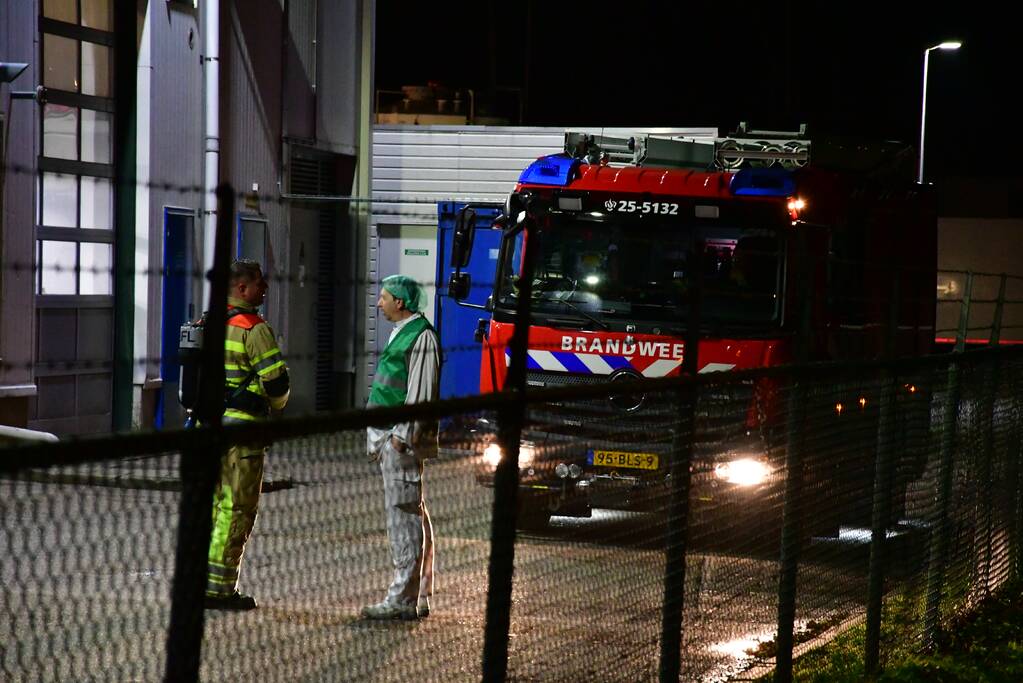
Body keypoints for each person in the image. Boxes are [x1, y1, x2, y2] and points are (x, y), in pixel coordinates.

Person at [205, 260, 290, 610]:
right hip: (242, 436)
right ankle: (220, 589)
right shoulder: (253, 329)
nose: (265, 287)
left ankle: (201, 579)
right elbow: (277, 384)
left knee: (213, 507)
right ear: (242, 289)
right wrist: (277, 403)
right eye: (259, 283)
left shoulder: (208, 323)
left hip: (207, 432)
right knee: (238, 508)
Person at [362, 274, 440, 620]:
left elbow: (420, 394)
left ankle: (402, 600)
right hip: (390, 438)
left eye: (384, 297)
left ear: (401, 302)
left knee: (403, 518)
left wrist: (401, 437)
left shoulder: (421, 338)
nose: (379, 303)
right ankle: (416, 594)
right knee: (410, 513)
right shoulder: (404, 333)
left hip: (400, 442)